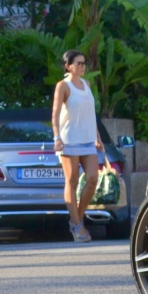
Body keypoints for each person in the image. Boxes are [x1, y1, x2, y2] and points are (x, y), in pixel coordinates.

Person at [51, 49, 103, 243]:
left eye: (83, 63)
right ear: (68, 66)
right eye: (78, 63)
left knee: (92, 179)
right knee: (71, 180)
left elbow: (91, 115)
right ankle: (77, 226)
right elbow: (55, 113)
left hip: (88, 140)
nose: (82, 66)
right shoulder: (63, 86)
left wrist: (98, 137)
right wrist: (57, 137)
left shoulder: (87, 84)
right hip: (69, 139)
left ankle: (76, 220)